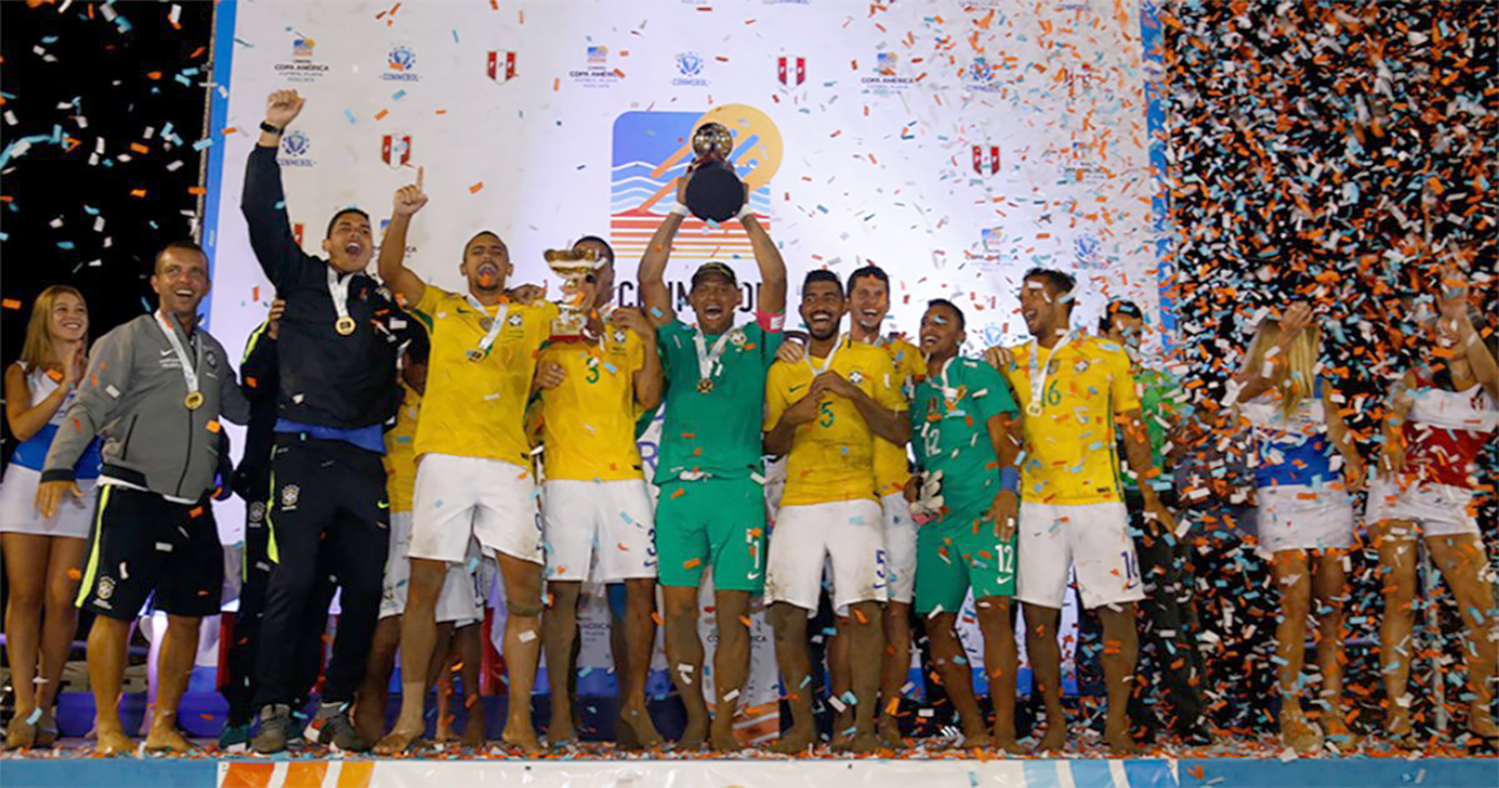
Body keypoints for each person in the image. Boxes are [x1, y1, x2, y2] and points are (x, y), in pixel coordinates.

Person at [245, 90, 420, 753]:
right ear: (325, 242)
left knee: (367, 590)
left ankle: (336, 707)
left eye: (364, 231)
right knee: (290, 583)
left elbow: (425, 360)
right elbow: (260, 213)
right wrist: (271, 135)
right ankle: (272, 709)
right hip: (299, 453)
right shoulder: (296, 278)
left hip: (363, 461)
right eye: (345, 228)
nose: (355, 236)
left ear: (371, 246)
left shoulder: (385, 303)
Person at [34, 241, 250, 755]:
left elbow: (240, 410)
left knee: (188, 616)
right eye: (173, 271)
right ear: (156, 282)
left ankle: (164, 725)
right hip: (132, 492)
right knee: (115, 613)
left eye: (195, 272)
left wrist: (284, 354)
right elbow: (88, 404)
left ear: (207, 284)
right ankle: (109, 726)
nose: (185, 280)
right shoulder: (126, 339)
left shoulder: (213, 351)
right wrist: (58, 466)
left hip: (193, 503)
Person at [371, 172, 554, 754]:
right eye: (478, 251)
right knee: (422, 589)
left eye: (496, 251)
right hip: (444, 462)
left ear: (509, 267)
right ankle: (409, 719)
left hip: (507, 463)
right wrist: (403, 215)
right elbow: (391, 271)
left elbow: (586, 315)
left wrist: (571, 295)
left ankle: (519, 721)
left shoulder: (534, 314)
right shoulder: (443, 308)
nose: (487, 257)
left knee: (524, 589)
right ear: (463, 266)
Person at [982, 268, 1172, 753]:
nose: (1024, 304)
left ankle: (1117, 722)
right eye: (1020, 296)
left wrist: (1150, 495)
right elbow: (1003, 428)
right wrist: (991, 366)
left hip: (1100, 503)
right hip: (1038, 506)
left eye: (1035, 295)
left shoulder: (1108, 355)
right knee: (1038, 619)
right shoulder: (1012, 360)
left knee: (1117, 614)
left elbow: (1133, 429)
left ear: (1063, 299)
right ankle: (1054, 722)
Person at [637, 184, 787, 751]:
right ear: (692, 299)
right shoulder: (674, 340)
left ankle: (724, 723)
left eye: (724, 287)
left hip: (738, 493)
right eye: (703, 287)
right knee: (677, 614)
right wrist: (679, 208)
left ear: (738, 298)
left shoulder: (758, 341)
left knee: (733, 617)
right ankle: (695, 717)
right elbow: (650, 278)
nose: (714, 294)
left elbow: (777, 279)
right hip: (679, 494)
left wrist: (743, 211)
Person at [763, 270, 909, 754]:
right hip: (799, 501)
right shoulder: (783, 369)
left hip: (855, 498)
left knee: (864, 612)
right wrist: (791, 419)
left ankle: (861, 725)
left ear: (844, 306)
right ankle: (804, 726)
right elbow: (771, 444)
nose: (820, 306)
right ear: (802, 308)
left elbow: (901, 430)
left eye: (830, 297)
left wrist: (855, 395)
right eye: (812, 299)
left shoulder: (872, 359)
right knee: (787, 615)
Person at [535, 234, 664, 749]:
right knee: (562, 594)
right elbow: (515, 390)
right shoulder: (543, 327)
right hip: (565, 476)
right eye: (578, 269)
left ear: (610, 277)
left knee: (638, 589)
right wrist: (533, 377)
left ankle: (634, 708)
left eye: (597, 269)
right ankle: (560, 715)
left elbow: (649, 397)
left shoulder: (626, 331)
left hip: (622, 476)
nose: (587, 279)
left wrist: (648, 338)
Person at [1367, 267, 1497, 747]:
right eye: (1442, 327)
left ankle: (1480, 712)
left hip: (1452, 500)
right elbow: (1393, 412)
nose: (1447, 332)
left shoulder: (1492, 388)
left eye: (1457, 326)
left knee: (1481, 609)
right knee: (1399, 595)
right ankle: (1398, 715)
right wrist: (1391, 439)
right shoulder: (1419, 375)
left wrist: (1458, 311)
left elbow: (1488, 370)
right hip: (1398, 492)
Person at [1233, 301, 1366, 754]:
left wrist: (1352, 460)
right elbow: (1241, 395)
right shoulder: (1251, 385)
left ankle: (1331, 709)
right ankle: (1290, 712)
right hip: (1278, 501)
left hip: (1328, 498)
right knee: (1294, 603)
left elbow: (1339, 432)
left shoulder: (1319, 387)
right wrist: (1285, 339)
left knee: (1330, 611)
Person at [219, 300, 340, 751]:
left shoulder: (343, 331)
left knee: (314, 596)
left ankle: (293, 703)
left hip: (326, 484)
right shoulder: (270, 329)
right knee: (261, 596)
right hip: (270, 486)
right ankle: (242, 711)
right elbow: (252, 387)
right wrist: (273, 335)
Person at [907, 299, 1023, 751]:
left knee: (994, 614)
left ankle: (1006, 729)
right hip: (939, 522)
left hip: (985, 512)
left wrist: (1007, 490)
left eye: (942, 322)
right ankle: (973, 726)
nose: (930, 327)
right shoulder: (917, 390)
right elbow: (925, 452)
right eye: (925, 321)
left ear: (960, 335)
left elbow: (1006, 435)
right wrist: (914, 484)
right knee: (936, 622)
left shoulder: (976, 373)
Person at [1098, 299, 1211, 745]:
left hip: (1156, 504)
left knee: (1171, 611)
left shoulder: (1160, 383)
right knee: (1113, 617)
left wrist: (1170, 456)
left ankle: (1189, 717)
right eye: (1119, 333)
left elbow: (1181, 440)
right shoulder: (1091, 382)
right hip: (1103, 504)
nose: (1129, 341)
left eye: (1136, 334)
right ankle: (1129, 717)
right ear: (1103, 335)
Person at [1, 285, 101, 749]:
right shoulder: (21, 371)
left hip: (81, 489)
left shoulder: (102, 368)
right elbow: (22, 427)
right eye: (61, 309)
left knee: (63, 598)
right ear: (43, 318)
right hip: (26, 486)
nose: (72, 315)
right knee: (25, 595)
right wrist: (63, 387)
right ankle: (24, 706)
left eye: (79, 309)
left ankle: (46, 704)